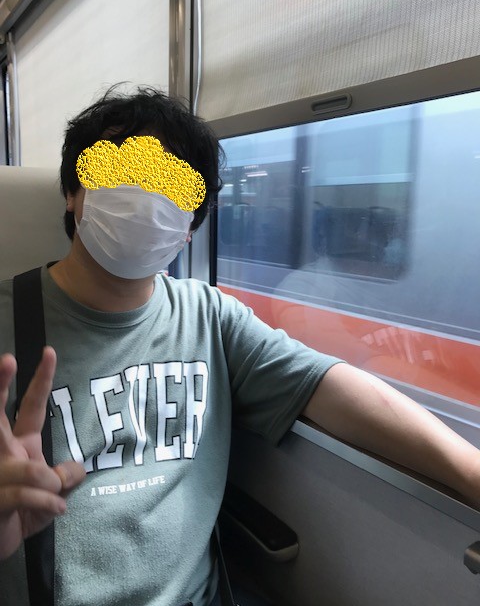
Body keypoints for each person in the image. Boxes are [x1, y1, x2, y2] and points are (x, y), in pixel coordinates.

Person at [0, 87, 479, 606]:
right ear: (72, 192)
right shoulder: (8, 318)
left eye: (171, 186)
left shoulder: (209, 316)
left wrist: (471, 472)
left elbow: (327, 385)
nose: (144, 199)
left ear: (187, 228)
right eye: (122, 172)